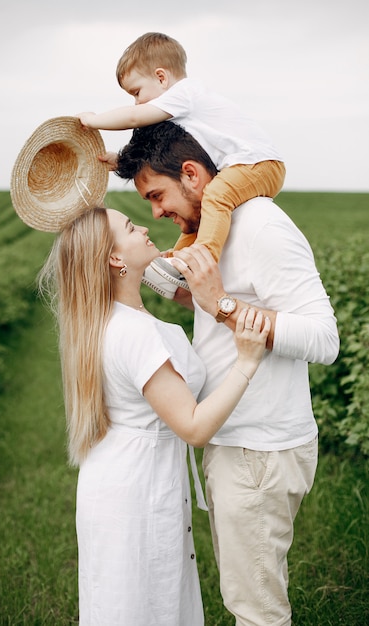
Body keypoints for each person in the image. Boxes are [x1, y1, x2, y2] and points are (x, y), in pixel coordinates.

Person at [115, 121, 340, 626]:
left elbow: (325, 339)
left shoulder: (260, 225)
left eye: (157, 195)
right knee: (245, 596)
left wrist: (221, 305)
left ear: (192, 174)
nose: (155, 212)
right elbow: (191, 291)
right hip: (235, 442)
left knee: (256, 611)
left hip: (258, 450)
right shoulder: (210, 231)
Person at [37, 204, 270, 626]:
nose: (144, 226)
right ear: (114, 258)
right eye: (130, 227)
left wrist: (182, 287)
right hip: (138, 493)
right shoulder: (137, 333)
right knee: (147, 604)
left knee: (123, 601)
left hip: (115, 480)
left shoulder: (109, 321)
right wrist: (247, 361)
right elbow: (194, 427)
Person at [77, 32, 285, 297]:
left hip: (260, 164)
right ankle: (177, 260)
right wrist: (119, 160)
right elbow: (160, 157)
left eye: (137, 92)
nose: (137, 102)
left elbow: (133, 118)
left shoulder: (185, 94)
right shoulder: (187, 103)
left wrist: (94, 120)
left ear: (161, 78)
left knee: (215, 196)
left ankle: (202, 258)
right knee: (205, 214)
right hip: (247, 166)